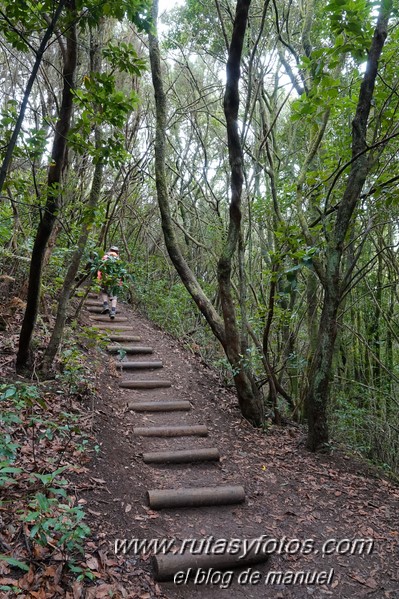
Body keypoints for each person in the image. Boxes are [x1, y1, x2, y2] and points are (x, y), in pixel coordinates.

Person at [97, 246, 121, 319]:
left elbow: (100, 268)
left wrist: (99, 279)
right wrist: (119, 282)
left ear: (110, 250)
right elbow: (120, 271)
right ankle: (113, 311)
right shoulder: (118, 259)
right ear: (117, 252)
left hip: (105, 278)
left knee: (104, 291)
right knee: (114, 295)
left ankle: (106, 305)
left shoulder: (105, 257)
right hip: (115, 279)